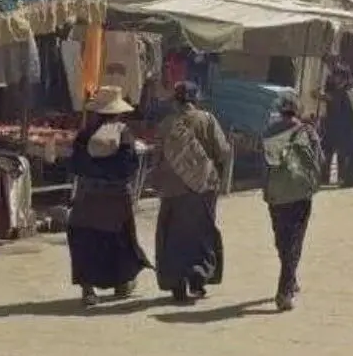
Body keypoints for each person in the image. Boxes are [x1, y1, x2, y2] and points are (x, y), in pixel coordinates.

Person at [66, 86, 152, 307]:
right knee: (119, 240)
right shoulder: (124, 133)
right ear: (119, 112)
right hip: (116, 197)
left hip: (87, 197)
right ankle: (122, 283)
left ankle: (88, 289)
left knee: (86, 240)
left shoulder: (85, 134)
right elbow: (129, 165)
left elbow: (75, 164)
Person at [152, 81, 232, 303]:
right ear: (196, 99)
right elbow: (223, 151)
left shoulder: (167, 124)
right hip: (202, 189)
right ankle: (198, 278)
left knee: (173, 238)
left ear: (175, 100)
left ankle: (177, 284)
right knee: (201, 234)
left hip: (172, 190)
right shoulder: (207, 120)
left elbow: (156, 157)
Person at [262, 93, 324, 311]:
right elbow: (320, 161)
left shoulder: (270, 132)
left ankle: (290, 280)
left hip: (276, 195)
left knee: (282, 240)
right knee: (294, 241)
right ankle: (285, 291)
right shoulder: (307, 132)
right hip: (300, 194)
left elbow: (266, 164)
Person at [322, 63, 353, 187]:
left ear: (341, 76)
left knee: (349, 153)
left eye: (336, 76)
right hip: (349, 125)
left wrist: (324, 97)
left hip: (349, 126)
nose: (334, 78)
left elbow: (338, 101)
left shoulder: (347, 89)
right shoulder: (350, 87)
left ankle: (350, 180)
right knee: (350, 153)